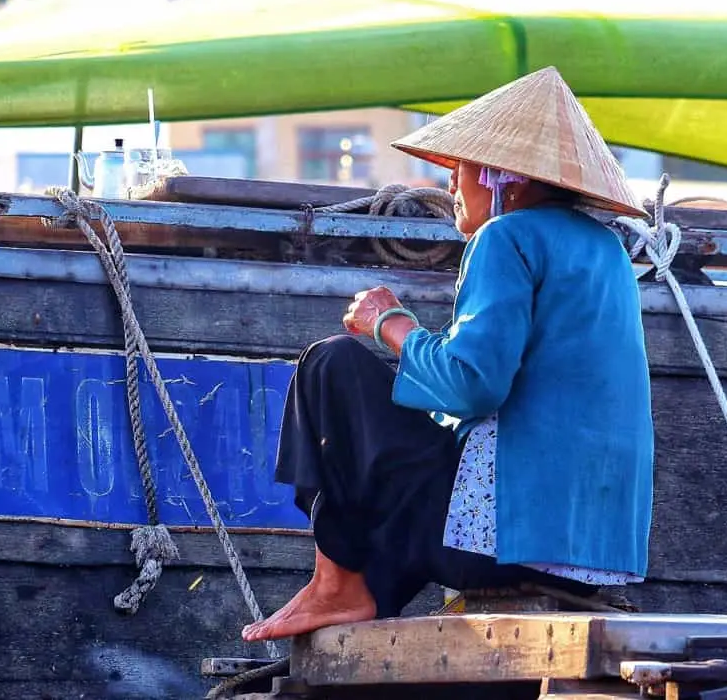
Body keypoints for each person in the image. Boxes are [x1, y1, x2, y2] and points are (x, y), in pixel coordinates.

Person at [242, 66, 656, 642]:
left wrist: (391, 323)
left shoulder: (506, 236)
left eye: (459, 169)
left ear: (501, 175)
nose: (451, 187)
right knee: (399, 452)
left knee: (333, 365)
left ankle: (335, 585)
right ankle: (357, 593)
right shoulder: (606, 250)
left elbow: (472, 387)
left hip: (502, 543)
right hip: (594, 553)